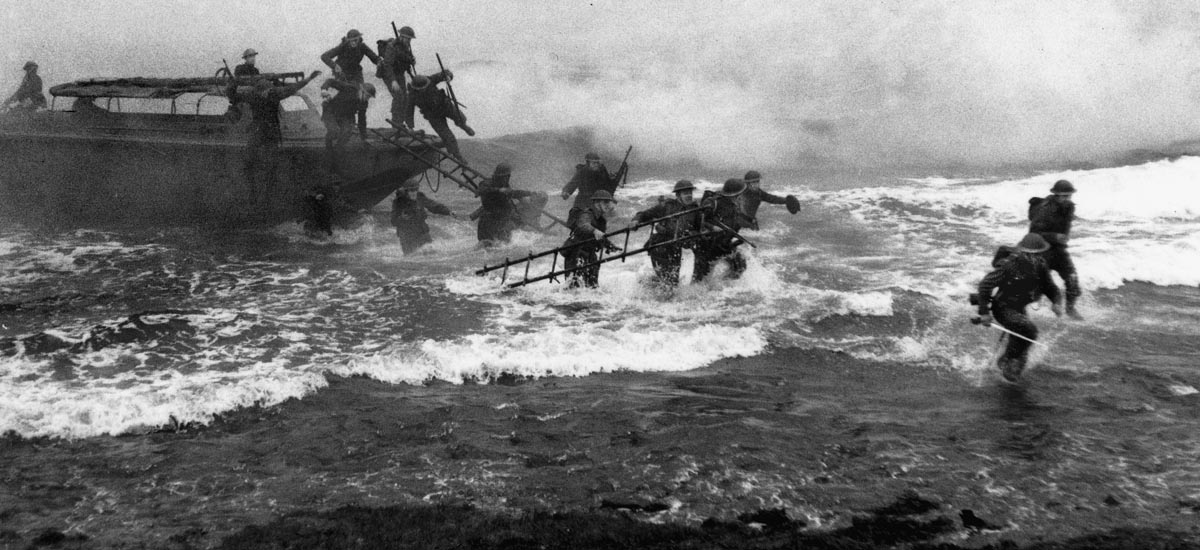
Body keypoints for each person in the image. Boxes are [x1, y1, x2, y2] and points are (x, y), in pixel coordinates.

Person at [976, 233, 1063, 382]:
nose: (1033, 258)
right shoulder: (1010, 265)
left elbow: (1051, 288)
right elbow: (985, 285)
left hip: (1019, 309)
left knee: (1022, 350)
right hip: (1003, 308)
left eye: (1036, 254)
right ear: (1022, 252)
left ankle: (1008, 367)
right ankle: (1007, 361)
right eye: (1030, 254)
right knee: (1029, 330)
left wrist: (1056, 302)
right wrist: (984, 312)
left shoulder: (1041, 266)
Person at [226, 71, 321, 202]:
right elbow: (232, 95)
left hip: (271, 131)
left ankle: (268, 195)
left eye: (268, 91)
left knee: (272, 163)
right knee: (248, 158)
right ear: (258, 91)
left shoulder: (275, 94)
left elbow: (293, 87)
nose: (266, 94)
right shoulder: (252, 95)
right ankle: (252, 190)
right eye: (264, 92)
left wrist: (309, 78)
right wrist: (234, 82)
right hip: (259, 129)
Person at [631, 180, 703, 288]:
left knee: (672, 281)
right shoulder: (667, 206)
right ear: (678, 195)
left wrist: (690, 234)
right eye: (685, 193)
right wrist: (636, 220)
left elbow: (699, 230)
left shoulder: (695, 210)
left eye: (690, 193)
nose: (689, 196)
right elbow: (645, 214)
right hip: (660, 246)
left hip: (676, 248)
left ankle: (650, 285)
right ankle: (652, 294)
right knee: (669, 283)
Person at [1028, 179, 1083, 319]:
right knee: (1038, 287)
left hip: (1059, 250)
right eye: (1064, 196)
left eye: (1069, 195)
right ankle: (1027, 308)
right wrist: (1055, 236)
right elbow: (1034, 232)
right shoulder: (1044, 209)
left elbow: (1065, 221)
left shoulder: (1069, 207)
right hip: (1043, 250)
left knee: (1072, 279)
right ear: (1056, 195)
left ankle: (1070, 309)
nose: (1067, 199)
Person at [320, 29, 381, 141]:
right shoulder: (342, 46)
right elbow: (324, 56)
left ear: (359, 39)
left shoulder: (362, 46)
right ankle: (339, 120)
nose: (353, 42)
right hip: (342, 73)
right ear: (348, 40)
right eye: (351, 41)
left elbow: (373, 57)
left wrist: (379, 62)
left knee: (362, 97)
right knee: (346, 93)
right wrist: (334, 66)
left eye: (355, 40)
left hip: (356, 72)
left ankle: (361, 129)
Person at [693, 179, 755, 282]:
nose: (741, 197)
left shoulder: (735, 205)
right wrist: (712, 227)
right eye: (739, 194)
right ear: (733, 195)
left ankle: (724, 286)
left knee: (740, 266)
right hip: (707, 246)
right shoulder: (713, 203)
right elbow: (699, 220)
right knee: (700, 278)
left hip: (724, 244)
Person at [406, 70, 474, 162]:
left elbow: (444, 73)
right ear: (417, 88)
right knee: (447, 136)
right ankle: (458, 156)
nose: (424, 89)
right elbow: (409, 111)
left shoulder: (429, 80)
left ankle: (463, 126)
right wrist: (410, 126)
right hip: (433, 115)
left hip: (444, 105)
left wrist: (448, 76)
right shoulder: (412, 95)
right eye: (422, 89)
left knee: (460, 117)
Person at [473, 162, 546, 246]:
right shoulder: (487, 183)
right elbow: (479, 191)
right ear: (501, 176)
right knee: (487, 246)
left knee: (501, 247)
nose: (507, 178)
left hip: (502, 222)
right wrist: (498, 190)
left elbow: (514, 193)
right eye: (506, 176)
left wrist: (529, 193)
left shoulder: (505, 186)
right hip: (489, 223)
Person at [563, 190, 618, 289]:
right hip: (576, 253)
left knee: (593, 286)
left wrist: (610, 246)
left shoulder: (601, 220)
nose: (608, 205)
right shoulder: (587, 214)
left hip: (590, 254)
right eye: (605, 202)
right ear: (597, 203)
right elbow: (583, 224)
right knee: (574, 287)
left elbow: (600, 237)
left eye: (609, 202)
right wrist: (594, 230)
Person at [320, 78, 375, 175]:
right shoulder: (350, 88)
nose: (367, 99)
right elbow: (330, 81)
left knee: (347, 132)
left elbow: (362, 120)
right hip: (330, 111)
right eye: (367, 95)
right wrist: (324, 90)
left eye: (369, 97)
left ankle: (336, 157)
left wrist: (364, 137)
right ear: (361, 91)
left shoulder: (364, 103)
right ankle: (328, 154)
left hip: (345, 116)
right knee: (334, 131)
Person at [560, 152, 628, 226]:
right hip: (583, 198)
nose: (596, 165)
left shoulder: (601, 169)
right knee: (575, 218)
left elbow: (608, 183)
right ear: (588, 163)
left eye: (597, 163)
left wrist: (617, 176)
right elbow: (573, 183)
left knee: (610, 217)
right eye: (594, 163)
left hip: (599, 198)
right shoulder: (582, 171)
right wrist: (566, 191)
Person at [391, 181, 454, 254]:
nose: (414, 192)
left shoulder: (420, 197)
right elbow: (393, 221)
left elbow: (433, 206)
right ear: (406, 192)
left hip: (421, 231)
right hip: (407, 236)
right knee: (411, 258)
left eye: (416, 189)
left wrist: (448, 212)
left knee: (432, 253)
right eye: (411, 190)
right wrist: (402, 218)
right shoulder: (398, 202)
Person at [377, 26, 416, 128]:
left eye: (410, 39)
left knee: (405, 98)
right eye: (407, 38)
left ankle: (401, 122)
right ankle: (396, 124)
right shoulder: (392, 46)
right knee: (398, 97)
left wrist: (411, 61)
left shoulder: (406, 47)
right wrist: (393, 81)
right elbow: (387, 65)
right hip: (389, 74)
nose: (409, 41)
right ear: (401, 37)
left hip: (399, 73)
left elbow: (405, 59)